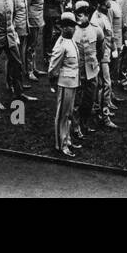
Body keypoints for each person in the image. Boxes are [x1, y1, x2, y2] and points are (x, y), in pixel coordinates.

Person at [48, 13, 80, 156]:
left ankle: (67, 140)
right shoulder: (61, 44)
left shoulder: (71, 41)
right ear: (62, 27)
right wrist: (53, 82)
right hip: (65, 83)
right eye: (67, 26)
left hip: (73, 82)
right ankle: (60, 145)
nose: (71, 29)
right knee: (62, 115)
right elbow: (53, 67)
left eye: (72, 26)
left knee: (68, 114)